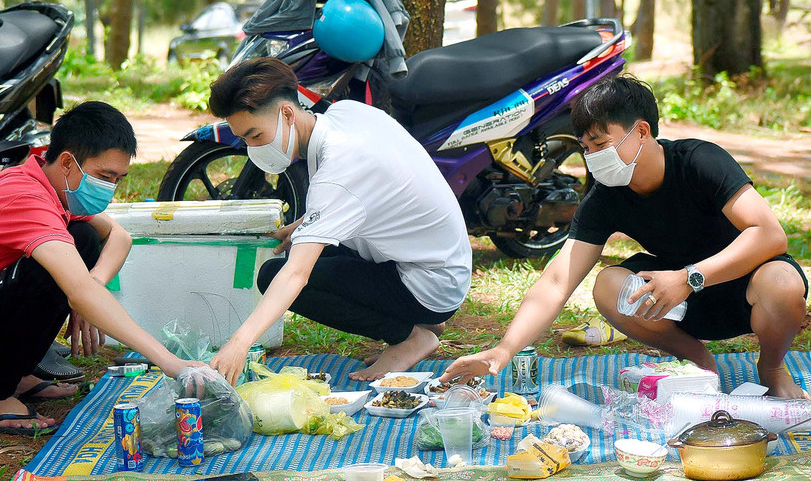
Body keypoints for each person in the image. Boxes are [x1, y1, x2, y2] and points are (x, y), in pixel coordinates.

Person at [442, 75, 809, 399]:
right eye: (585, 148)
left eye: (600, 144)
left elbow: (769, 234)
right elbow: (557, 280)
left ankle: (772, 369)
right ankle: (697, 361)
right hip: (677, 303)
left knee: (783, 281)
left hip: (743, 288)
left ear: (642, 132)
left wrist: (688, 277)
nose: (592, 158)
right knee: (607, 285)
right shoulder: (605, 196)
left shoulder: (700, 160)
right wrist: (502, 351)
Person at [0, 102, 206, 434]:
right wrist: (170, 362)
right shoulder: (24, 199)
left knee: (82, 237)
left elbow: (119, 237)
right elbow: (78, 289)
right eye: (104, 176)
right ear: (67, 162)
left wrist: (91, 284)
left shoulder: (44, 184)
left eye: (118, 179)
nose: (111, 188)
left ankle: (15, 376)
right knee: (59, 258)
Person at [207, 58, 472, 385]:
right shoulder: (346, 113)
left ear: (287, 113)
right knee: (301, 252)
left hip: (431, 283)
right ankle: (424, 321)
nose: (253, 148)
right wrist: (304, 223)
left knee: (276, 274)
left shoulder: (337, 172)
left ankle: (411, 336)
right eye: (245, 139)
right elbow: (369, 191)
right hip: (443, 263)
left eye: (256, 135)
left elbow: (296, 275)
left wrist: (240, 343)